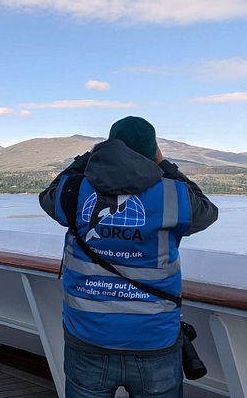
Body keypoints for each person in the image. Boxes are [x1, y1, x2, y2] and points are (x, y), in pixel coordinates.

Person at [39, 116, 218, 398]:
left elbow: (48, 195)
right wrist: (165, 164)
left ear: (109, 146)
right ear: (152, 151)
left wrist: (87, 159)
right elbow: (207, 210)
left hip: (88, 337)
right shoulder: (172, 195)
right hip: (154, 339)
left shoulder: (75, 190)